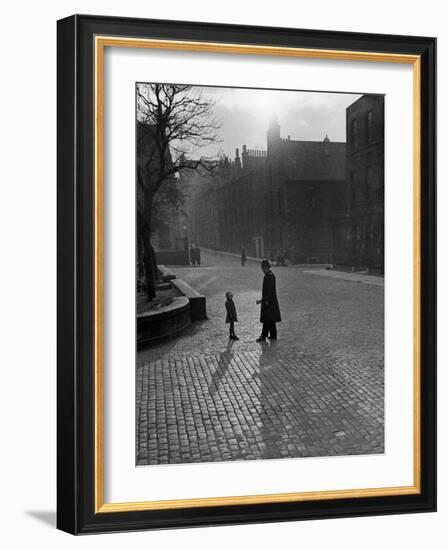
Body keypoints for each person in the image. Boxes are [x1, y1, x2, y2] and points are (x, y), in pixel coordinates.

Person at [256, 259, 281, 341]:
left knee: (267, 319)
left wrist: (266, 300)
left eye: (263, 268)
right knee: (269, 320)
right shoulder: (269, 275)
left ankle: (264, 335)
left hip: (269, 302)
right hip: (269, 301)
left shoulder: (269, 276)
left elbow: (270, 290)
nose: (262, 270)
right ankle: (272, 335)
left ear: (266, 267)